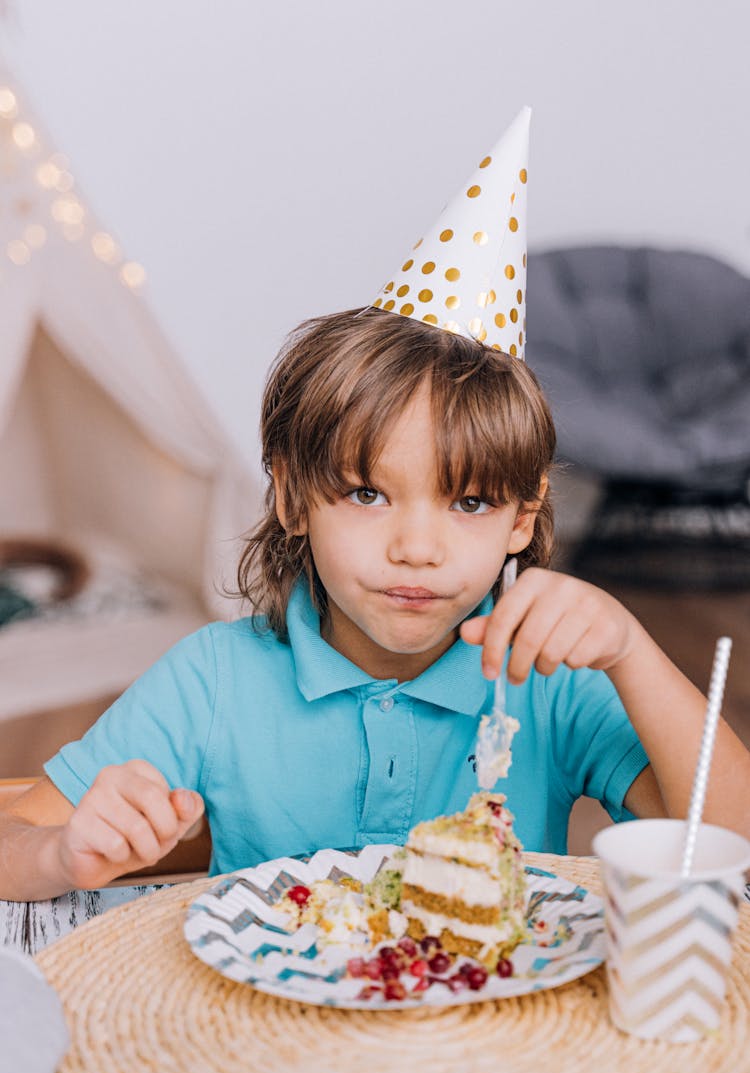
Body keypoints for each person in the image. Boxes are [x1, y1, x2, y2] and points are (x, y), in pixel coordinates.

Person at [1, 109, 749, 901]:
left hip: (496, 1019)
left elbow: (731, 840)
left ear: (521, 521)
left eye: (468, 502)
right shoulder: (213, 682)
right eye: (366, 493)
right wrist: (61, 855)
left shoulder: (551, 685)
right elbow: (13, 840)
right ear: (292, 498)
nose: (417, 547)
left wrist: (632, 649)